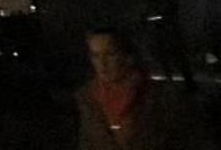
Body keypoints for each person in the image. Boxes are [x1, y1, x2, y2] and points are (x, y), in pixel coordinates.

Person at [74, 27, 205, 149]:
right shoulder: (88, 99)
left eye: (110, 54)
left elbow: (188, 139)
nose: (102, 63)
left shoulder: (158, 96)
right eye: (95, 55)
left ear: (128, 57)